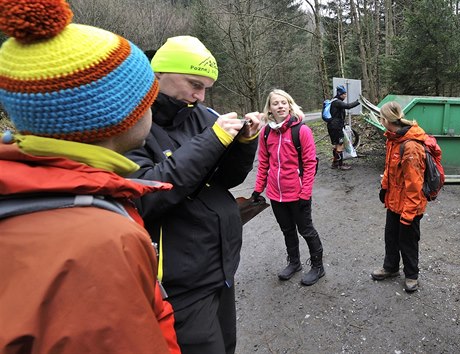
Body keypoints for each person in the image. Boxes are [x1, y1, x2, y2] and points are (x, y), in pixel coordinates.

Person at [0, 0, 180, 352]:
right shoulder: (99, 243)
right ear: (116, 116)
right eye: (146, 98)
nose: (152, 106)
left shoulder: (28, 196)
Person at [125, 35, 263, 354]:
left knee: (227, 345)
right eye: (194, 85)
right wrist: (212, 142)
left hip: (221, 265)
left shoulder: (202, 115)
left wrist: (244, 143)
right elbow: (145, 194)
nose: (200, 97)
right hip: (179, 283)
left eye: (205, 88)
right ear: (159, 74)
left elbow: (226, 179)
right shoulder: (133, 122)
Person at [251, 89, 325, 286]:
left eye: (284, 102)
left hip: (298, 194)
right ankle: (294, 263)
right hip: (276, 195)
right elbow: (264, 164)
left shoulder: (301, 131)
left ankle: (318, 267)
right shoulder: (266, 132)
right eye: (275, 103)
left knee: (306, 230)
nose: (280, 106)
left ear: (290, 105)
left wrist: (305, 193)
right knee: (287, 230)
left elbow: (310, 164)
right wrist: (258, 189)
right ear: (270, 109)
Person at [371, 101, 428, 293]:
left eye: (380, 118)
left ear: (386, 120)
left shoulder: (410, 146)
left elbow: (415, 185)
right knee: (391, 237)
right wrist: (384, 188)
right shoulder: (393, 139)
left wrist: (409, 213)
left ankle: (412, 275)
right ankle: (391, 267)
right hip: (394, 201)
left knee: (408, 241)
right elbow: (389, 168)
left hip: (409, 205)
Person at [327, 84, 360, 170]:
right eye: (343, 94)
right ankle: (339, 164)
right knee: (340, 145)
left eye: (345, 94)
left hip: (333, 126)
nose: (345, 96)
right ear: (339, 94)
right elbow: (348, 106)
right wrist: (359, 101)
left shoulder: (333, 101)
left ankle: (335, 163)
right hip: (336, 127)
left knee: (337, 144)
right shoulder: (337, 102)